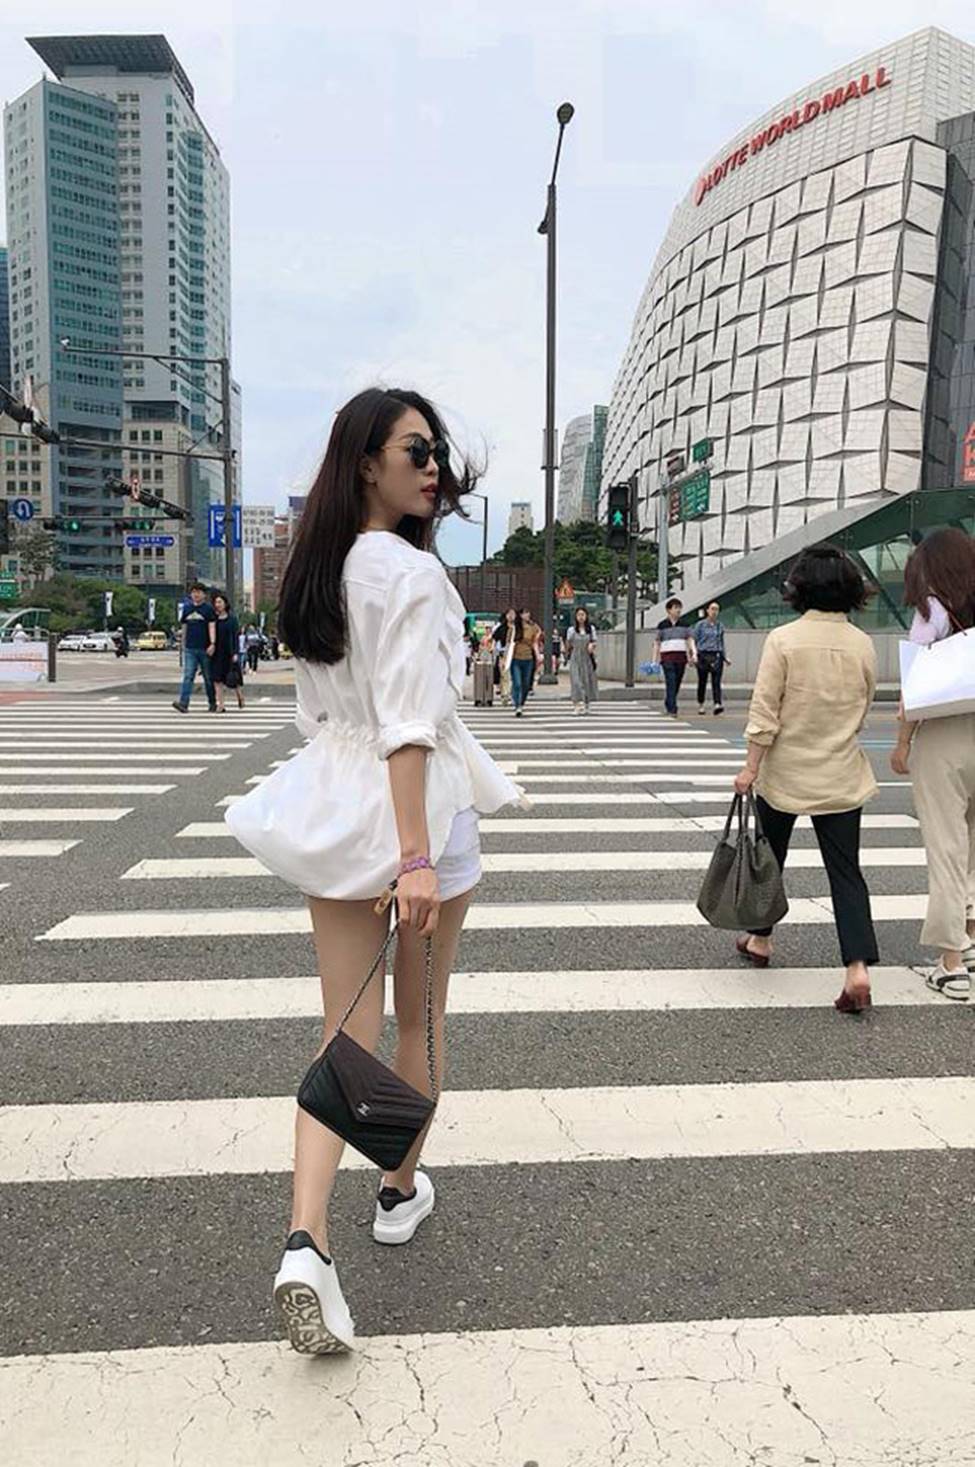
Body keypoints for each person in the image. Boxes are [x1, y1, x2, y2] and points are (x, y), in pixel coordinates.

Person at [227, 387, 525, 1356]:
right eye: (415, 451)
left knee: (342, 1028)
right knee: (419, 1015)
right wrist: (415, 856)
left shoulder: (318, 571)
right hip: (415, 810)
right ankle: (397, 1190)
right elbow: (409, 726)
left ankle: (307, 1239)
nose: (433, 467)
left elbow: (321, 716)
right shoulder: (411, 573)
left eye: (435, 452)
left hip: (335, 798)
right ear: (367, 463)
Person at [732, 544, 879, 1013]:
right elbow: (864, 706)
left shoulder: (783, 640)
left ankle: (760, 939)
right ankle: (857, 967)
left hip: (785, 773)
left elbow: (764, 712)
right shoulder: (862, 643)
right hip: (840, 772)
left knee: (769, 859)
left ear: (800, 588)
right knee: (846, 872)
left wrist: (750, 767)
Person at [890, 527, 975, 1000]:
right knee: (974, 846)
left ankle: (951, 962)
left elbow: (915, 689)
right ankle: (971, 936)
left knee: (947, 847)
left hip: (944, 736)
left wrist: (902, 744)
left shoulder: (933, 609)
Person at [172, 582, 217, 714]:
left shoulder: (208, 609)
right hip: (190, 648)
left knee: (208, 677)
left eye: (198, 592)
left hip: (205, 648)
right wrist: (182, 644)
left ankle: (212, 702)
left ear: (204, 595)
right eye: (193, 592)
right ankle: (183, 703)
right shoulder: (187, 608)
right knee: (188, 676)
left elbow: (212, 626)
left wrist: (212, 643)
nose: (196, 594)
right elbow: (184, 626)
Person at [652, 598, 696, 717]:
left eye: (679, 607)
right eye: (675, 607)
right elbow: (657, 642)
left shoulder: (685, 624)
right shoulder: (662, 625)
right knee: (670, 681)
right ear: (668, 610)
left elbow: (690, 639)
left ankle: (669, 702)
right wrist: (654, 660)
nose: (678, 610)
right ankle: (672, 709)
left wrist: (693, 654)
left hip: (681, 658)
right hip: (667, 658)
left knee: (677, 682)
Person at [211, 592, 244, 712]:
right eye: (216, 602)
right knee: (217, 679)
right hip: (217, 653)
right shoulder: (213, 619)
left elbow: (235, 637)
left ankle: (240, 695)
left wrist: (235, 652)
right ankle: (221, 704)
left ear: (225, 604)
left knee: (233, 677)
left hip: (229, 652)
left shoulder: (232, 619)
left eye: (220, 602)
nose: (218, 604)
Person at [693, 600, 727, 715]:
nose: (714, 612)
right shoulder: (700, 625)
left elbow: (721, 642)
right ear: (707, 610)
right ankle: (701, 704)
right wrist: (694, 655)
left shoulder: (720, 626)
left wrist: (725, 657)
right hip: (703, 654)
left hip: (716, 655)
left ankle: (717, 703)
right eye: (712, 609)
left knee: (716, 681)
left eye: (716, 609)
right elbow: (694, 640)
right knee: (702, 681)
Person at [510, 608, 542, 717]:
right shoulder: (514, 628)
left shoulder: (532, 628)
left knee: (526, 684)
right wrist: (504, 659)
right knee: (517, 683)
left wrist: (538, 655)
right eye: (524, 613)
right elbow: (509, 644)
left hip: (528, 659)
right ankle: (517, 704)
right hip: (515, 659)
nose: (527, 615)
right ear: (520, 615)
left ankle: (521, 702)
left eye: (528, 612)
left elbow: (535, 642)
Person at [567, 606, 598, 714]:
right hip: (575, 657)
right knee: (576, 681)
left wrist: (592, 645)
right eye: (579, 615)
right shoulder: (571, 630)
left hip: (587, 658)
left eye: (583, 615)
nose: (581, 617)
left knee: (587, 681)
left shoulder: (591, 629)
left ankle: (587, 704)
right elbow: (568, 644)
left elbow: (594, 642)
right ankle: (576, 705)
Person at [493, 608, 516, 707]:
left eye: (513, 614)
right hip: (504, 654)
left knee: (514, 676)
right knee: (505, 676)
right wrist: (495, 652)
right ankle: (505, 695)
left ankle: (512, 695)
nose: (511, 616)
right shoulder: (501, 628)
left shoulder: (518, 628)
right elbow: (494, 639)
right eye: (509, 614)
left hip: (516, 654)